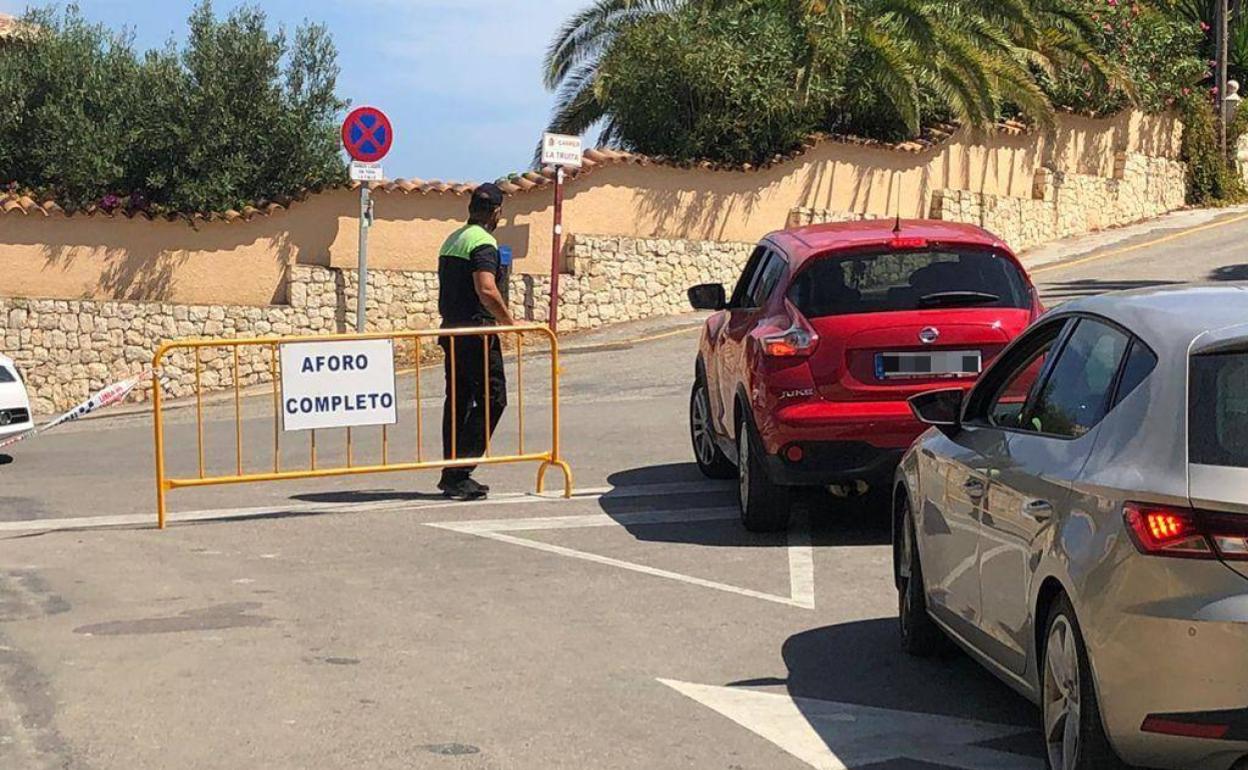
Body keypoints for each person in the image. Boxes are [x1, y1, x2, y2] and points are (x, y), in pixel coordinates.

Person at [436, 183, 516, 501]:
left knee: (457, 401)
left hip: (452, 331)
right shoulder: (484, 242)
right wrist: (508, 322)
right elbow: (486, 288)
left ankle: (452, 473)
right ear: (496, 212)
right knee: (494, 399)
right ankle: (459, 472)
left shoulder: (453, 238)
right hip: (476, 333)